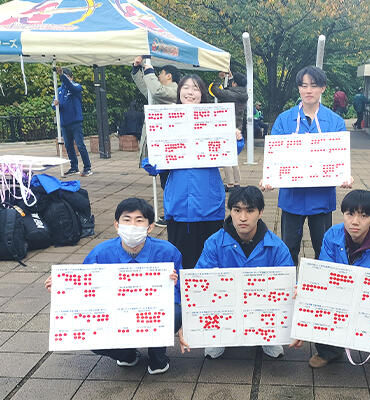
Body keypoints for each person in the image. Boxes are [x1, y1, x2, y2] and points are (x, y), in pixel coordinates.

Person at [44, 198, 182, 375]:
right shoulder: (101, 252)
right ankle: (127, 354)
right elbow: (84, 286)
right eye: (127, 220)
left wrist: (173, 285)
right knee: (93, 338)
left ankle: (157, 356)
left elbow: (180, 293)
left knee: (175, 313)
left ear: (150, 227)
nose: (132, 226)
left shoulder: (168, 251)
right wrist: (62, 286)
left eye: (139, 220)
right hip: (115, 311)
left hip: (151, 310)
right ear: (117, 225)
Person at [290, 189, 370, 369]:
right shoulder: (332, 235)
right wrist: (304, 290)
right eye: (350, 214)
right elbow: (324, 272)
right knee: (316, 301)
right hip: (339, 297)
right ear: (343, 214)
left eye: (363, 216)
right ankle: (329, 351)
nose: (355, 221)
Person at [178, 186, 294, 358]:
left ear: (260, 213)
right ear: (230, 211)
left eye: (250, 211)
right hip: (224, 302)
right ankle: (217, 335)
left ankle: (270, 336)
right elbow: (199, 281)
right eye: (237, 210)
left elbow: (289, 285)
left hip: (261, 304)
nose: (243, 217)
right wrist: (187, 322)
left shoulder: (277, 247)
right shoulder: (214, 243)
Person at [143, 75, 245, 270]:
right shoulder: (167, 119)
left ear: (202, 94)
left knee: (211, 261)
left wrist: (237, 139)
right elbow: (157, 159)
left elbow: (230, 152)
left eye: (196, 88)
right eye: (186, 87)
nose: (190, 92)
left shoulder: (214, 119)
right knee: (181, 261)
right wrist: (151, 162)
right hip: (179, 206)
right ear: (179, 91)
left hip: (209, 204)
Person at [260, 66, 352, 265]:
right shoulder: (285, 119)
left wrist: (344, 174)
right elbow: (275, 157)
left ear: (323, 88)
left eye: (314, 85)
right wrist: (269, 177)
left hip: (321, 198)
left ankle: (320, 285)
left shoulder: (335, 121)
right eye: (303, 86)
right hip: (292, 198)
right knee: (288, 249)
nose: (308, 90)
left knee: (324, 249)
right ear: (299, 89)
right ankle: (289, 283)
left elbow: (340, 158)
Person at [131, 56, 181, 227]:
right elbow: (147, 87)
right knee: (165, 181)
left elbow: (157, 91)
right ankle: (170, 214)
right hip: (160, 144)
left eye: (161, 73)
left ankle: (171, 214)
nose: (158, 75)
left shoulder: (174, 90)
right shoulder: (159, 90)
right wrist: (137, 69)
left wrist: (149, 70)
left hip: (170, 144)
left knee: (170, 182)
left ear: (169, 76)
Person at [210, 71, 248, 190]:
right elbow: (231, 88)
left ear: (235, 84)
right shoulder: (243, 93)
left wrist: (219, 78)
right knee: (233, 157)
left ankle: (230, 184)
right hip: (237, 128)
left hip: (227, 128)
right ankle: (236, 182)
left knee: (226, 155)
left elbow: (215, 90)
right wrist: (230, 77)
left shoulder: (231, 94)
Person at [52, 66, 92, 177]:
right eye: (64, 77)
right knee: (69, 146)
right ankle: (74, 167)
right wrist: (55, 105)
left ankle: (87, 167)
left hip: (75, 122)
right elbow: (54, 104)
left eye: (67, 77)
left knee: (80, 145)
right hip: (64, 123)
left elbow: (70, 86)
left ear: (71, 77)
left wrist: (62, 75)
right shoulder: (59, 91)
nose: (65, 79)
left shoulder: (76, 87)